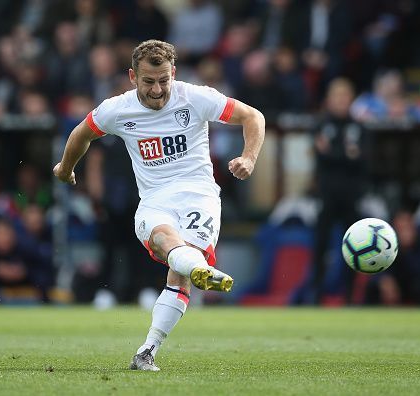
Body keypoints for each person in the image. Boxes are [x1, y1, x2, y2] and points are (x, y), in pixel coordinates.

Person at [53, 40, 265, 371]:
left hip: (199, 196)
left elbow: (253, 116)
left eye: (164, 80)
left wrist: (249, 158)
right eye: (149, 81)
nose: (157, 89)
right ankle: (198, 268)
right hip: (155, 200)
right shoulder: (117, 109)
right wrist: (65, 169)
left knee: (178, 273)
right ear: (132, 76)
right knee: (167, 243)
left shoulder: (195, 97)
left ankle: (146, 351)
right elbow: (81, 134)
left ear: (174, 73)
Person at [311, 78, 368, 304]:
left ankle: (350, 297)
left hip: (351, 196)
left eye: (345, 97)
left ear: (351, 100)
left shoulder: (359, 127)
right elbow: (320, 156)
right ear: (329, 100)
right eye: (337, 97)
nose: (341, 101)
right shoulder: (321, 125)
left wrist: (332, 154)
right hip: (326, 195)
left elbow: (363, 160)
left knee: (353, 248)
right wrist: (346, 155)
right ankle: (316, 296)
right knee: (320, 247)